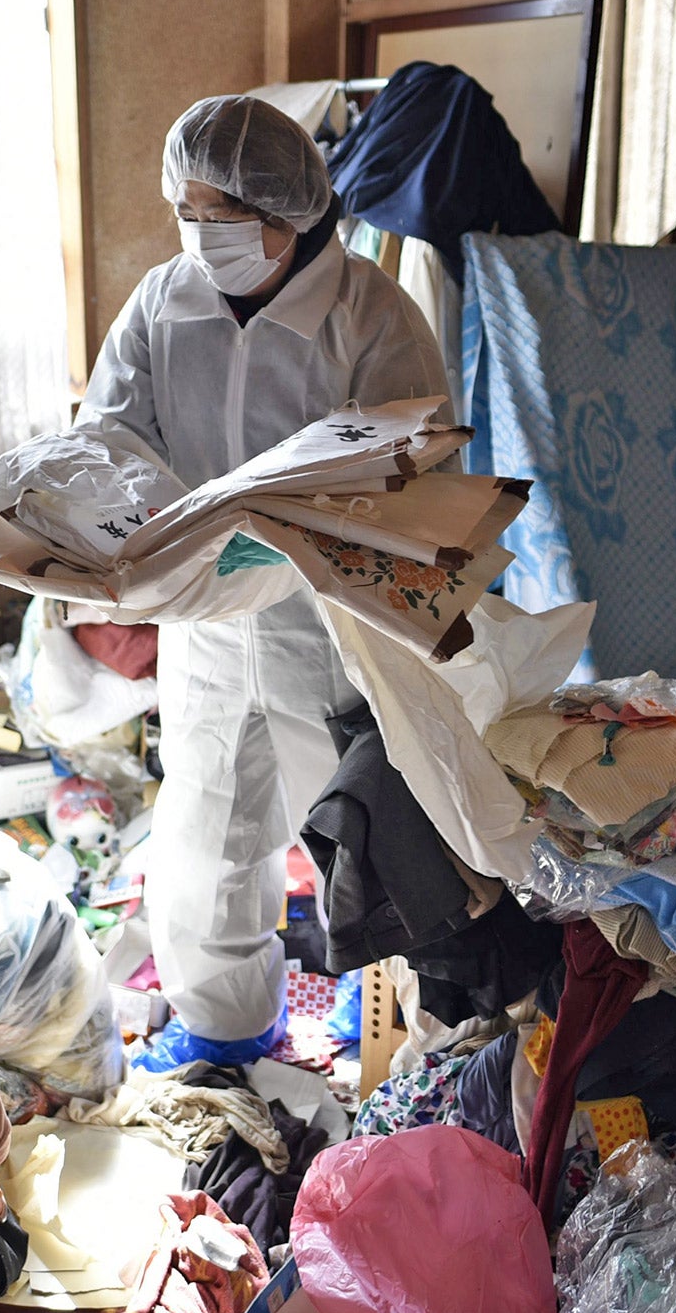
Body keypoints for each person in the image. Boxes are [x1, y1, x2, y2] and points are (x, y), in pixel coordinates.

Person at [76, 94, 449, 1069]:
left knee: (352, 826)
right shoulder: (167, 299)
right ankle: (224, 1020)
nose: (202, 238)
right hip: (203, 609)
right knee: (205, 820)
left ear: (286, 215)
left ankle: (389, 1028)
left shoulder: (368, 316)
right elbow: (109, 427)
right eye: (186, 215)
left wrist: (298, 528)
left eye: (223, 220)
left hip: (320, 620)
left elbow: (415, 465)